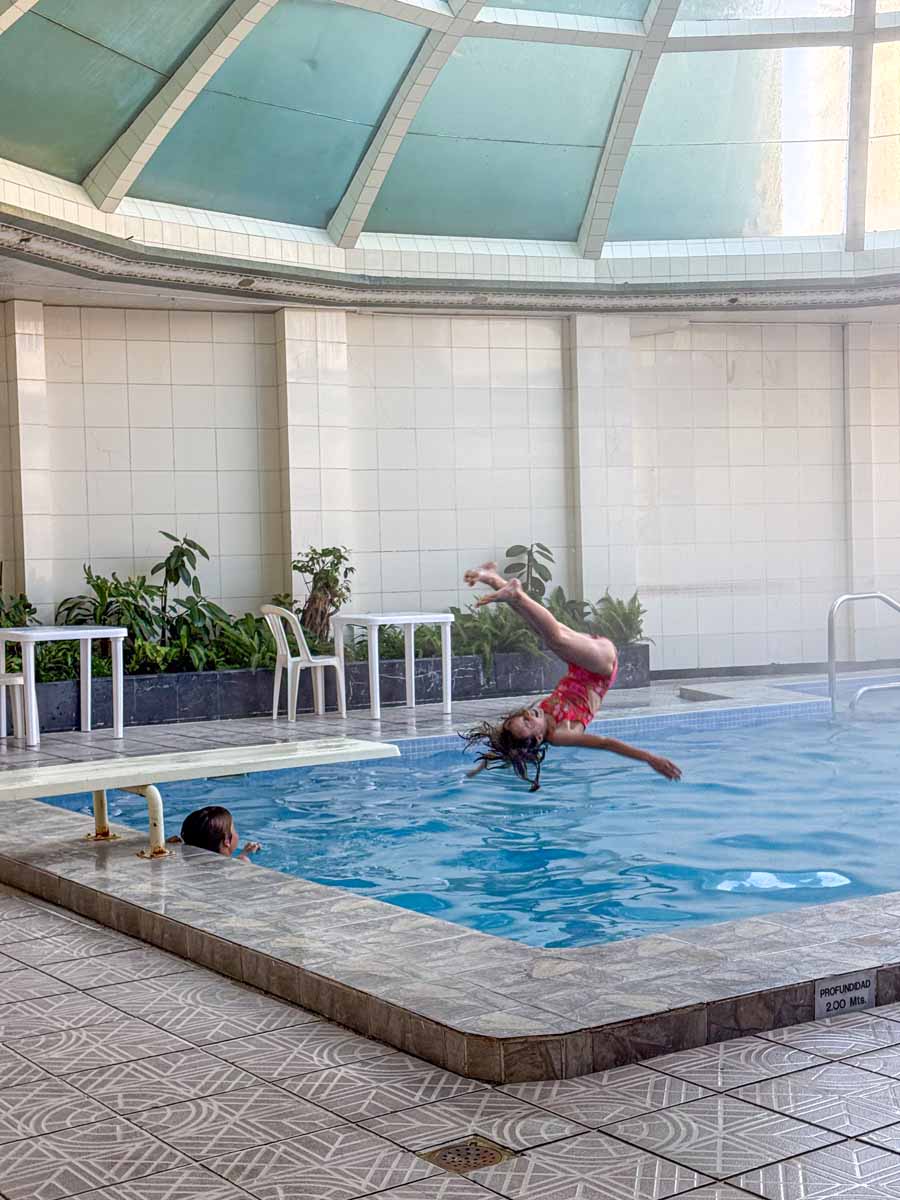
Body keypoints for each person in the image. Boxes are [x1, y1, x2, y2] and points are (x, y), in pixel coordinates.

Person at [462, 563, 682, 791]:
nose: (528, 713)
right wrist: (649, 758)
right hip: (601, 668)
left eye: (522, 715)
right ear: (538, 738)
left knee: (542, 629)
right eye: (528, 722)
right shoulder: (559, 734)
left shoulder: (542, 718)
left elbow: (511, 747)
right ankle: (513, 592)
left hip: (581, 662)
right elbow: (605, 743)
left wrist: (486, 763)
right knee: (553, 639)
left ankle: (494, 579)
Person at [177, 806, 261, 862]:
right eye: (234, 829)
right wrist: (242, 858)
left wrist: (244, 852)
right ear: (227, 840)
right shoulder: (243, 861)